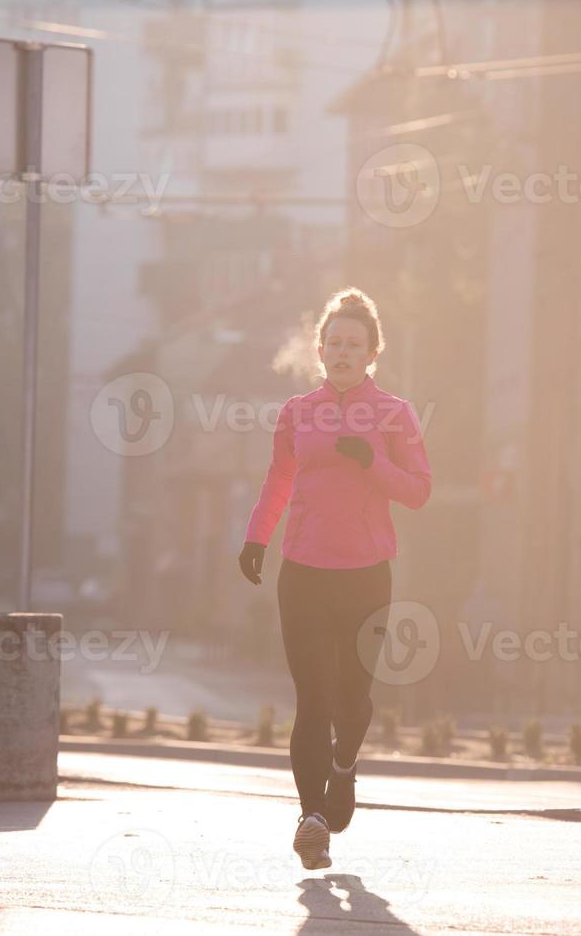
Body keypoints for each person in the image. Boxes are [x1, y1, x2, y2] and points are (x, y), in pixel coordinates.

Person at [237, 288, 432, 871]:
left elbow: (419, 491)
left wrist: (371, 460)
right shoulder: (298, 411)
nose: (343, 351)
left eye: (355, 343)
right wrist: (256, 538)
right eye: (334, 342)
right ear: (320, 349)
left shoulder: (395, 413)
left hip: (368, 576)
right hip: (303, 573)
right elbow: (279, 478)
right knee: (313, 699)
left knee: (353, 698)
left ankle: (344, 767)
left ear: (373, 351)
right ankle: (311, 820)